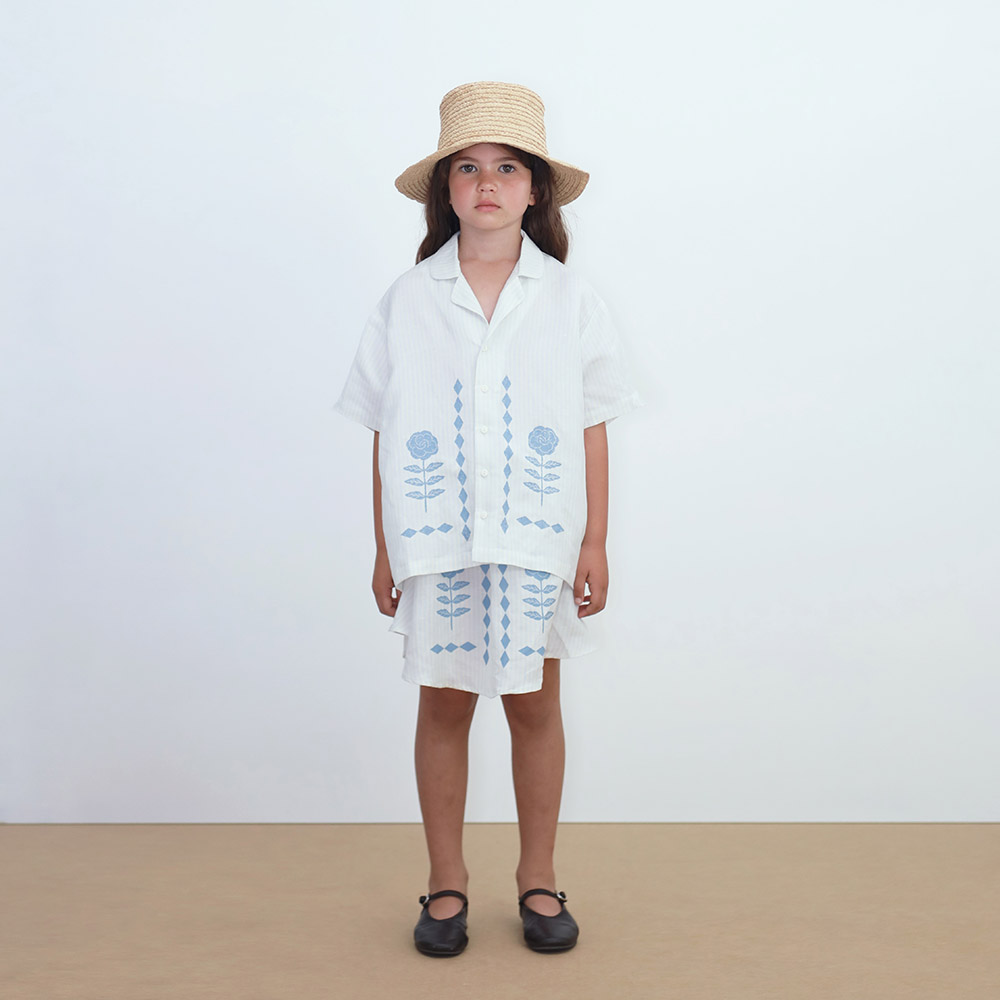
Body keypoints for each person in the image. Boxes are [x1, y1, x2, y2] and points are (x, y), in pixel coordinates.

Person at [334, 81, 642, 956]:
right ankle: (446, 881)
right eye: (467, 168)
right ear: (446, 189)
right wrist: (384, 548)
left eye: (507, 168)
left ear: (535, 189)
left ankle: (537, 876)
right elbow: (384, 429)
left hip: (537, 536)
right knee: (443, 704)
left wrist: (594, 540)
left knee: (536, 707)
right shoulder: (408, 299)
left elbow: (591, 423)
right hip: (437, 538)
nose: (488, 184)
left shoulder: (570, 298)